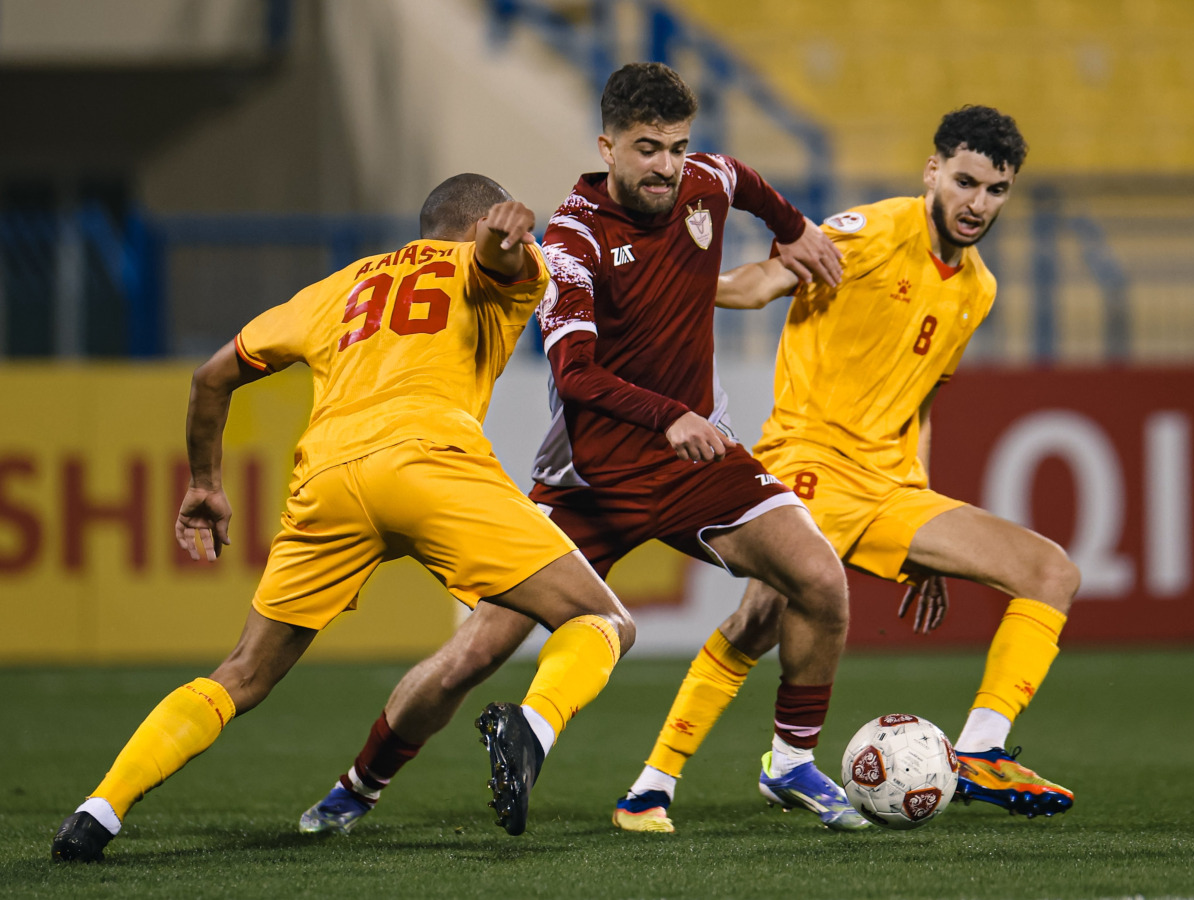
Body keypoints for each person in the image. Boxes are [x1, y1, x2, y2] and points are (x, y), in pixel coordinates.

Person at [298, 61, 870, 837]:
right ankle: (358, 786)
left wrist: (795, 228)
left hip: (694, 461)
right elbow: (574, 376)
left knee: (819, 579)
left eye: (676, 146)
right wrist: (669, 415)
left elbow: (742, 179)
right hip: (590, 477)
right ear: (607, 146)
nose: (667, 165)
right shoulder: (569, 241)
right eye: (646, 149)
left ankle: (792, 762)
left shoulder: (704, 180)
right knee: (475, 653)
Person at [50, 173, 636, 863]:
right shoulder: (497, 258)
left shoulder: (340, 287)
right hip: (429, 465)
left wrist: (206, 482)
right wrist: (505, 241)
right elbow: (496, 260)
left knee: (241, 674)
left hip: (326, 481)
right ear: (475, 224)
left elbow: (211, 377)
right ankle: (531, 729)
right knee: (602, 621)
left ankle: (99, 809)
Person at [628, 104, 1077, 824]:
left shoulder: (978, 289)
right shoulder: (871, 232)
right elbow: (761, 283)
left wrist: (922, 518)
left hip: (890, 485)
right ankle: (656, 780)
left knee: (1052, 571)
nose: (977, 204)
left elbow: (919, 401)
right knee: (761, 619)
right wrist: (664, 285)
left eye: (996, 191)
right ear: (933, 171)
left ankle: (983, 753)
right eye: (965, 182)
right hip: (807, 459)